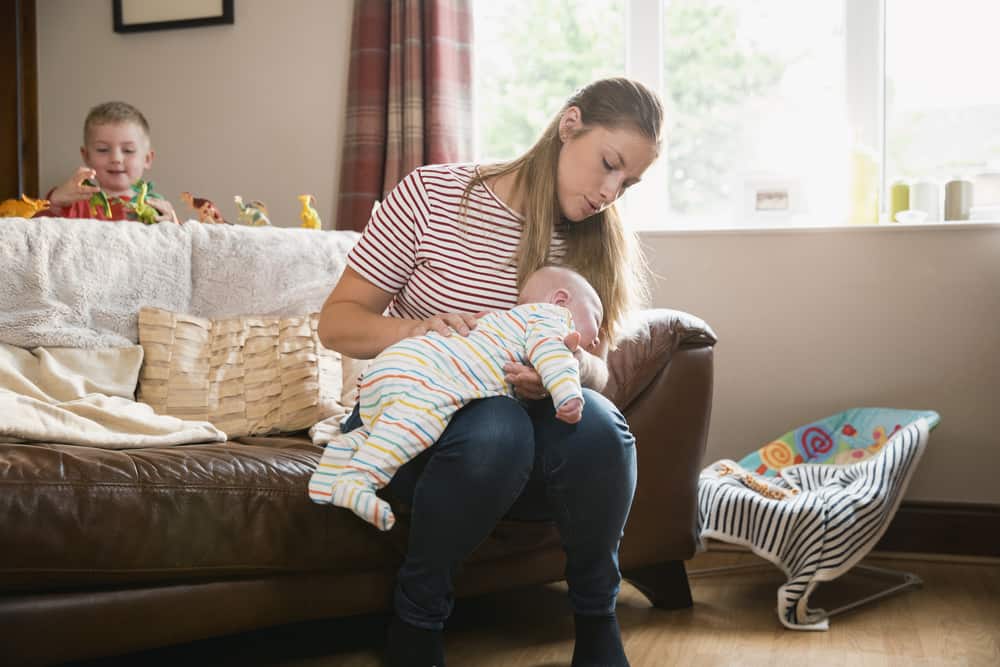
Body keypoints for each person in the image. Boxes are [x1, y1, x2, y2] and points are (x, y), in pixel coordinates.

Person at [318, 77, 662, 667]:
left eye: (626, 183)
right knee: (497, 424)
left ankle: (597, 623)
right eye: (608, 165)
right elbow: (337, 323)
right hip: (421, 431)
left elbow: (600, 374)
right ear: (569, 125)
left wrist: (571, 368)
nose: (610, 192)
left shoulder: (594, 243)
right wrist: (415, 329)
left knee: (602, 424)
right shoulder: (432, 195)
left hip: (533, 452)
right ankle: (417, 620)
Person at [308, 265, 603, 531]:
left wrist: (582, 365)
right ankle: (359, 481)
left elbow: (597, 369)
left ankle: (333, 467)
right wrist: (566, 393)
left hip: (392, 367)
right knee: (419, 421)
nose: (598, 339)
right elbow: (553, 356)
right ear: (561, 300)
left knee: (380, 425)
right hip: (428, 376)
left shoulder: (499, 321)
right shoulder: (552, 317)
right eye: (595, 319)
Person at [40, 101, 178, 223]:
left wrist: (173, 225)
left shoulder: (157, 209)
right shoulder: (72, 205)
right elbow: (33, 238)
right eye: (103, 149)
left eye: (128, 150)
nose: (116, 158)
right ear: (86, 156)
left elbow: (182, 248)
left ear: (147, 159)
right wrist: (53, 202)